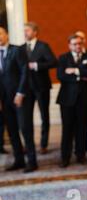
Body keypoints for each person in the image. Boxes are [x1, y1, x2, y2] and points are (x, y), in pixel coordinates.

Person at [0, 26, 37, 173]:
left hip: (20, 97)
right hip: (5, 99)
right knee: (12, 131)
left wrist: (20, 93)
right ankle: (19, 160)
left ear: (7, 35)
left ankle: (32, 161)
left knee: (25, 129)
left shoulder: (17, 50)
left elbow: (24, 72)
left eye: (1, 34)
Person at [56, 34, 87, 167]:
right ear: (69, 45)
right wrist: (81, 76)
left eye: (79, 43)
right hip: (67, 100)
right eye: (74, 44)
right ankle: (65, 157)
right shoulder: (63, 58)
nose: (77, 46)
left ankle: (80, 155)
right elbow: (61, 76)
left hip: (84, 99)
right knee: (67, 130)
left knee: (82, 128)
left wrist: (75, 71)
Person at [21, 22, 58, 154]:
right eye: (24, 31)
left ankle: (43, 144)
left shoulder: (43, 46)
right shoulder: (21, 48)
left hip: (42, 87)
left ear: (35, 32)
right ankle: (28, 144)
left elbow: (54, 62)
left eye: (28, 30)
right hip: (26, 88)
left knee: (44, 116)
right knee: (26, 118)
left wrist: (37, 65)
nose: (25, 33)